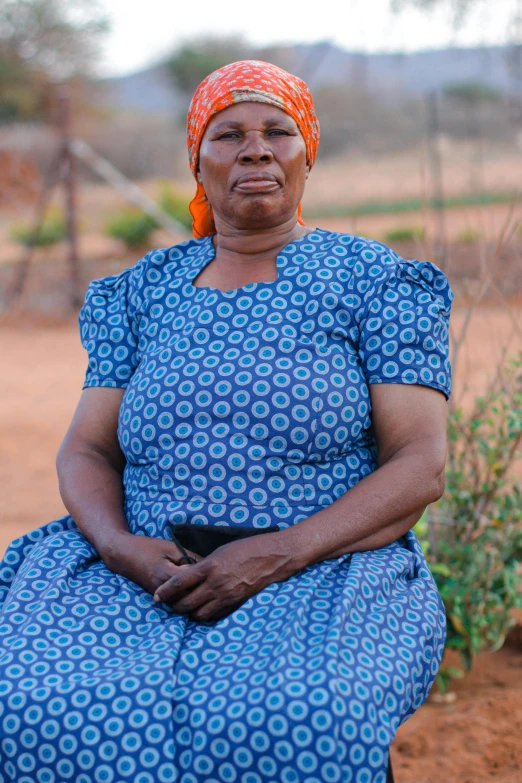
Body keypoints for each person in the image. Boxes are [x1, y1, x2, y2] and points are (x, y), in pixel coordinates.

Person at [0, 60, 452, 783]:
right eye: (228, 134)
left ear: (309, 151)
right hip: (144, 572)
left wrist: (281, 550)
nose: (255, 149)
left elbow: (419, 463)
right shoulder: (143, 291)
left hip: (325, 567)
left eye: (278, 131)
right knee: (33, 703)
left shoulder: (374, 281)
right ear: (197, 161)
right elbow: (86, 449)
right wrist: (121, 547)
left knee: (296, 716)